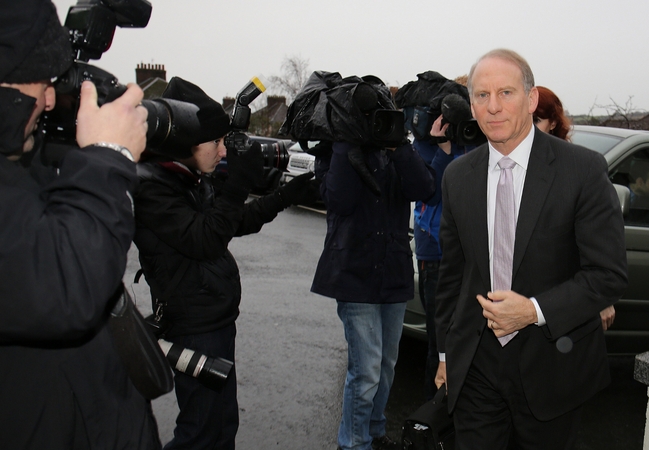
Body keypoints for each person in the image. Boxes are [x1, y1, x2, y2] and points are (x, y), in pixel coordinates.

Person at [434, 49, 627, 449]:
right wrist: (444, 355)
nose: (494, 106)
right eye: (482, 95)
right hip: (476, 367)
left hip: (552, 366)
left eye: (505, 92)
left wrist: (533, 311)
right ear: (471, 104)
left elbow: (606, 275)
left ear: (532, 98)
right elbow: (452, 277)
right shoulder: (458, 177)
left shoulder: (583, 170)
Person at [0, 0, 161, 448]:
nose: (50, 100)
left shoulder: (22, 161)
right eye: (38, 79)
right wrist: (109, 156)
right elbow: (64, 286)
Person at [133, 77, 316, 449]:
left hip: (214, 319)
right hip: (193, 326)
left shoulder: (188, 177)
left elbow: (233, 222)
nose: (222, 152)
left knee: (221, 427)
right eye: (215, 143)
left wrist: (283, 195)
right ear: (185, 142)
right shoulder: (154, 186)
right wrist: (236, 186)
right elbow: (205, 238)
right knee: (199, 432)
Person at [311, 134, 435, 450]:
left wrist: (399, 146)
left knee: (384, 365)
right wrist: (345, 142)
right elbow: (339, 199)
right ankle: (353, 443)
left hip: (392, 273)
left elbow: (425, 189)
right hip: (353, 274)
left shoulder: (398, 148)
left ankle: (375, 432)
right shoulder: (335, 148)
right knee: (365, 371)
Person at [533, 86, 616, 331]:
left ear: (553, 123)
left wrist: (601, 299)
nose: (527, 126)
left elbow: (597, 246)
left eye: (536, 120)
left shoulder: (580, 169)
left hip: (566, 301)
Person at [413, 114, 473, 400]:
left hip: (473, 257)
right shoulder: (425, 142)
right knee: (440, 346)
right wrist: (442, 148)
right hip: (436, 256)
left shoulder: (479, 140)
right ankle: (432, 420)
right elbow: (430, 193)